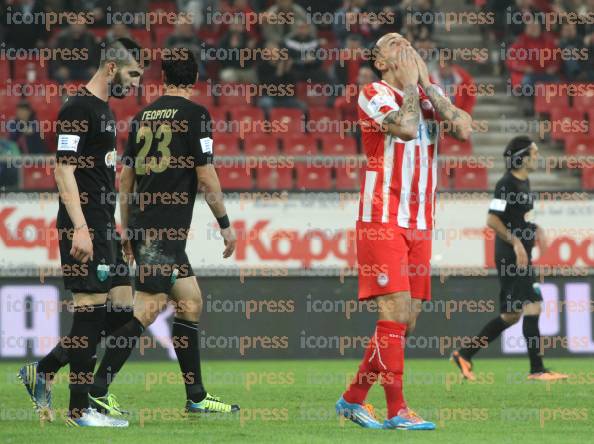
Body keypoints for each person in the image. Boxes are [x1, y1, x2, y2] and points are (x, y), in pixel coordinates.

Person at [85, 48, 240, 415]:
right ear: (195, 78)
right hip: (163, 232)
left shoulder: (143, 117)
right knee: (149, 308)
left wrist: (126, 228)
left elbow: (126, 180)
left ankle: (197, 397)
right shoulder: (196, 116)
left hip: (145, 226)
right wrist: (225, 224)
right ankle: (96, 387)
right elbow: (206, 176)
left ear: (163, 78)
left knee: (190, 302)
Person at [335, 32, 472, 430]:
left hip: (421, 221)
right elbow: (408, 128)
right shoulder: (373, 91)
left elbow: (463, 128)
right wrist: (414, 88)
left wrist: (428, 85)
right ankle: (397, 411)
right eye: (393, 43)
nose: (405, 45)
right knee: (393, 312)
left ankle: (352, 399)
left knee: (405, 322)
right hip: (383, 217)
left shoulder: (426, 93)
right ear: (380, 61)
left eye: (406, 40)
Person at [18, 38, 144, 427]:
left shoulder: (104, 111)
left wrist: (114, 228)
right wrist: (81, 229)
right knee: (89, 310)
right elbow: (63, 170)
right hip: (84, 226)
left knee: (123, 308)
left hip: (104, 225)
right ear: (111, 68)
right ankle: (80, 409)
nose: (136, 83)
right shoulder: (77, 108)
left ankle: (45, 368)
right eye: (133, 74)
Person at [451, 136, 569, 382]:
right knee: (533, 303)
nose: (537, 157)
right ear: (522, 157)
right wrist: (515, 242)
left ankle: (464, 354)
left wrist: (537, 229)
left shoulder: (525, 183)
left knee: (512, 315)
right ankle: (537, 369)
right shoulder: (505, 184)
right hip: (511, 256)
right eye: (534, 153)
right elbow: (492, 219)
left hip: (522, 257)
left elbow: (522, 218)